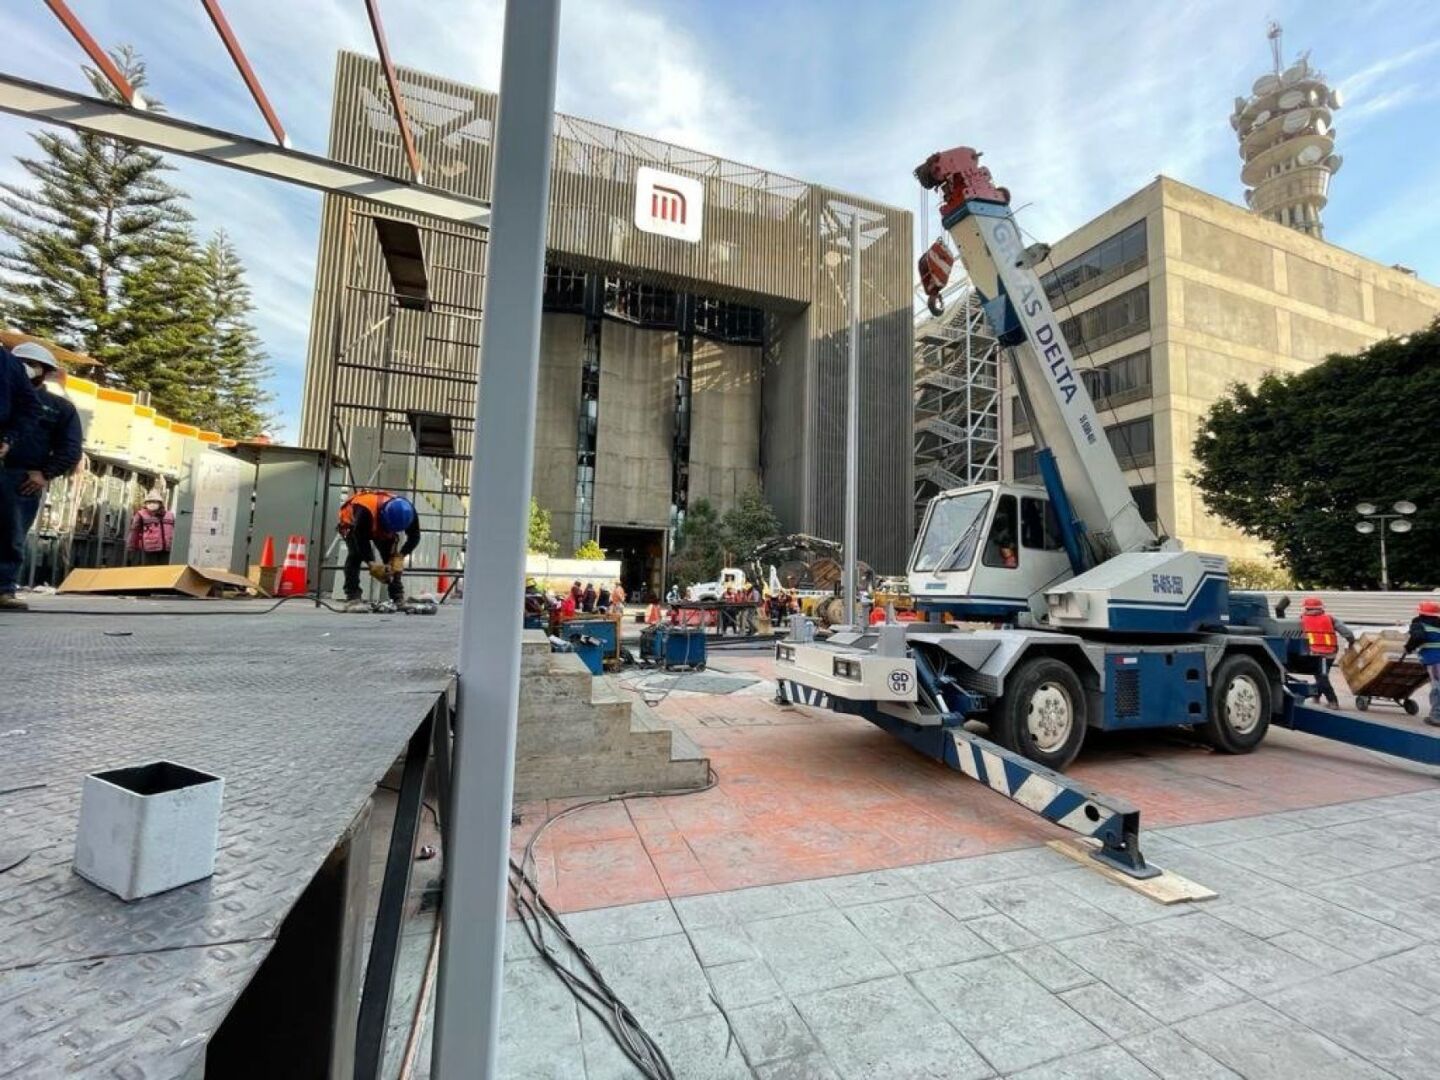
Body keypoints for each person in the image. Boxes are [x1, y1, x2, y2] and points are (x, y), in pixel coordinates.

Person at [0, 343, 82, 610]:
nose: (24, 369)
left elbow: (70, 448)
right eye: (19, 362)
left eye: (31, 365)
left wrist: (45, 474)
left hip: (21, 478)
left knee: (11, 534)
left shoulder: (59, 408)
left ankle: (3, 588)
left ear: (45, 372)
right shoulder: (7, 398)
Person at [336, 489, 420, 612]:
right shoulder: (364, 510)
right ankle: (353, 598)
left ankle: (397, 598)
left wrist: (400, 556)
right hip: (352, 524)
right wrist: (372, 563)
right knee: (355, 555)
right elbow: (361, 539)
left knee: (392, 560)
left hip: (378, 524)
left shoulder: (409, 512)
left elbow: (415, 537)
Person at [1299, 596, 1355, 708]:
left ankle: (1332, 701)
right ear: (1321, 608)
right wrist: (1351, 643)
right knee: (1321, 676)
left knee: (1321, 677)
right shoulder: (1330, 619)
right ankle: (1316, 695)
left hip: (1313, 654)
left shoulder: (1300, 620)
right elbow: (1348, 633)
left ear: (1306, 608)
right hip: (1330, 654)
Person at [1403, 600, 1440, 727]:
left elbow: (1417, 637)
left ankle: (1436, 717)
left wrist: (1408, 648)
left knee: (1437, 689)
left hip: (1435, 660)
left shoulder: (1418, 623)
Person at [0, 343, 38, 467]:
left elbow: (31, 407)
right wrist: (9, 438)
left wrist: (9, 437)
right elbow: (31, 407)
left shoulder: (10, 364)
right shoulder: (12, 363)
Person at [127, 492, 174, 566]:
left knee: (163, 572)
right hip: (149, 549)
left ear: (160, 503)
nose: (152, 504)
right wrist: (131, 546)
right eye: (149, 502)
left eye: (154, 502)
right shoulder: (141, 514)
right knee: (149, 570)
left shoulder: (170, 515)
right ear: (145, 504)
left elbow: (175, 530)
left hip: (166, 549)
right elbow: (134, 531)